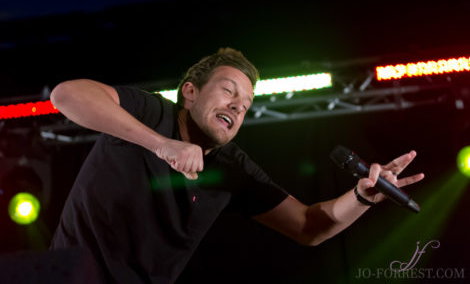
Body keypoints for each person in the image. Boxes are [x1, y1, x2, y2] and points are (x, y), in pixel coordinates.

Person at [49, 48, 424, 284]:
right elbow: (66, 95)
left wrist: (361, 196)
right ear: (190, 92)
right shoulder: (151, 112)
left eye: (245, 104)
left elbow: (308, 226)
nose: (236, 106)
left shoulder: (233, 168)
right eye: (228, 91)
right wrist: (161, 145)